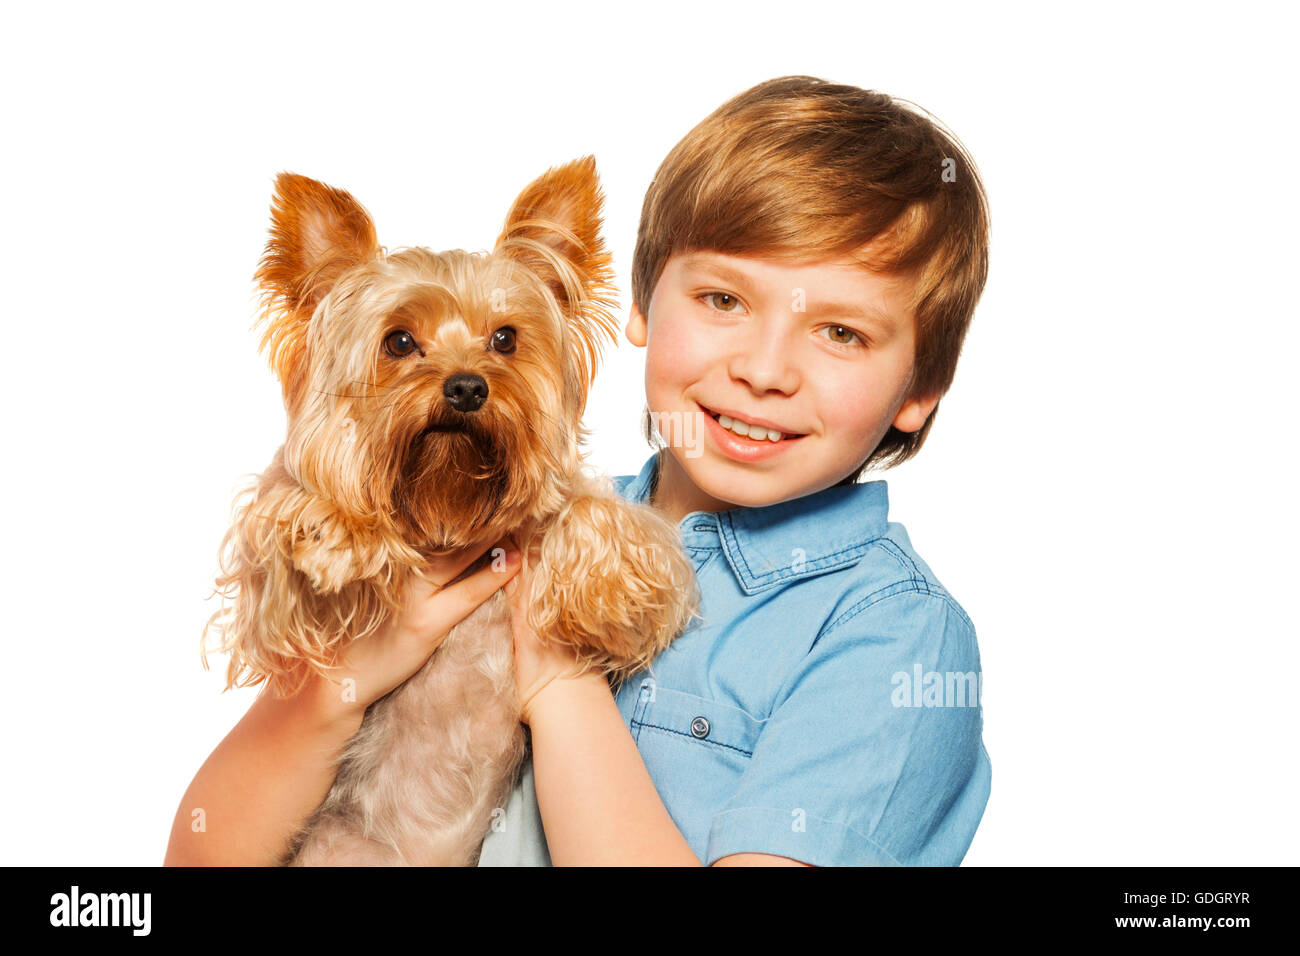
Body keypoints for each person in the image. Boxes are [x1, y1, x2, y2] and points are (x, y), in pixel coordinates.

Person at [481, 75, 992, 866]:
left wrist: (557, 680)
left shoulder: (897, 636)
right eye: (724, 300)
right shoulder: (520, 524)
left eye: (841, 333)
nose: (764, 370)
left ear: (919, 390)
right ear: (643, 303)